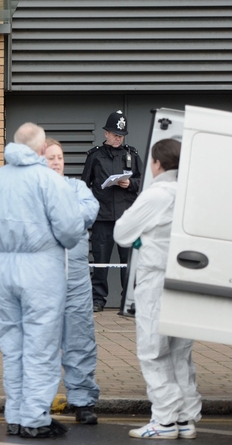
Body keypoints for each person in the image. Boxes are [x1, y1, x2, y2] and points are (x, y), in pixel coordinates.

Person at [0, 123, 84, 438]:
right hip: (41, 268)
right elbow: (70, 229)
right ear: (41, 150)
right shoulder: (47, 179)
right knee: (42, 346)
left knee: (13, 345)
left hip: (5, 264)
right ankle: (35, 417)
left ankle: (15, 413)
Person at [114, 139, 201, 440]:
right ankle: (186, 418)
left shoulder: (156, 194)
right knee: (180, 353)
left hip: (156, 280)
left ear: (157, 164)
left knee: (153, 351)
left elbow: (121, 232)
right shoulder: (193, 193)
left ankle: (164, 421)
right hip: (186, 279)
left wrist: (140, 240)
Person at [44, 139, 101, 424]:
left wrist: (56, 219)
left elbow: (89, 211)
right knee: (41, 344)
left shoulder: (78, 188)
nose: (56, 162)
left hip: (77, 280)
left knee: (80, 340)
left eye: (60, 157)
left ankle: (82, 401)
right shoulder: (33, 191)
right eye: (51, 157)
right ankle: (38, 402)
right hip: (42, 281)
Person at [81, 110, 144, 312]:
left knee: (128, 262)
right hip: (102, 217)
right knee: (101, 261)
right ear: (106, 133)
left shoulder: (132, 155)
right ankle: (98, 300)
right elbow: (84, 185)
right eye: (115, 134)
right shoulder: (95, 156)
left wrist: (130, 184)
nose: (118, 138)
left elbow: (143, 181)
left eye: (121, 135)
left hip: (127, 217)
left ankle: (129, 302)